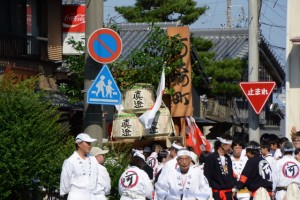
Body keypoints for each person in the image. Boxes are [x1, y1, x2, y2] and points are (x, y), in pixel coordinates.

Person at [60, 133, 99, 200]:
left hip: (92, 195)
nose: (90, 146)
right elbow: (65, 183)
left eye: (90, 143)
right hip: (76, 196)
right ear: (79, 144)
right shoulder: (70, 161)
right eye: (87, 143)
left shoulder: (93, 159)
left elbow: (96, 177)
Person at [204, 135, 236, 200]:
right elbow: (207, 176)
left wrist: (233, 188)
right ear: (223, 145)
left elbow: (230, 174)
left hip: (229, 193)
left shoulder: (228, 158)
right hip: (217, 193)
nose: (230, 149)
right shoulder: (211, 158)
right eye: (229, 147)